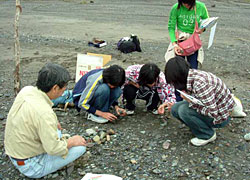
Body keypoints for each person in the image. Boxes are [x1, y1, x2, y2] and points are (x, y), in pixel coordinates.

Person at [4, 63, 87, 178]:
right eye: (64, 88)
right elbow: (53, 149)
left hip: (14, 152)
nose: (64, 91)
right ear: (55, 88)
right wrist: (72, 141)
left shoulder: (27, 90)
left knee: (56, 132)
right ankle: (44, 167)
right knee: (80, 148)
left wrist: (52, 121)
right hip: (30, 165)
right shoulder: (44, 113)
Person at [159, 56, 235, 146]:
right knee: (175, 108)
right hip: (213, 107)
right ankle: (199, 127)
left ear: (178, 78)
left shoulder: (201, 84)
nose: (174, 84)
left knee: (184, 111)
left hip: (221, 116)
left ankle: (207, 135)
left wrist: (190, 101)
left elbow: (212, 112)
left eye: (174, 82)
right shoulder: (190, 75)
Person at [167, 0, 209, 69]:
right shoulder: (175, 8)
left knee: (193, 69)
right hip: (180, 41)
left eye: (188, 4)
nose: (186, 6)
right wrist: (174, 44)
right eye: (183, 3)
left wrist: (202, 29)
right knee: (178, 69)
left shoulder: (201, 7)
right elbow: (171, 28)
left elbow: (206, 22)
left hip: (193, 42)